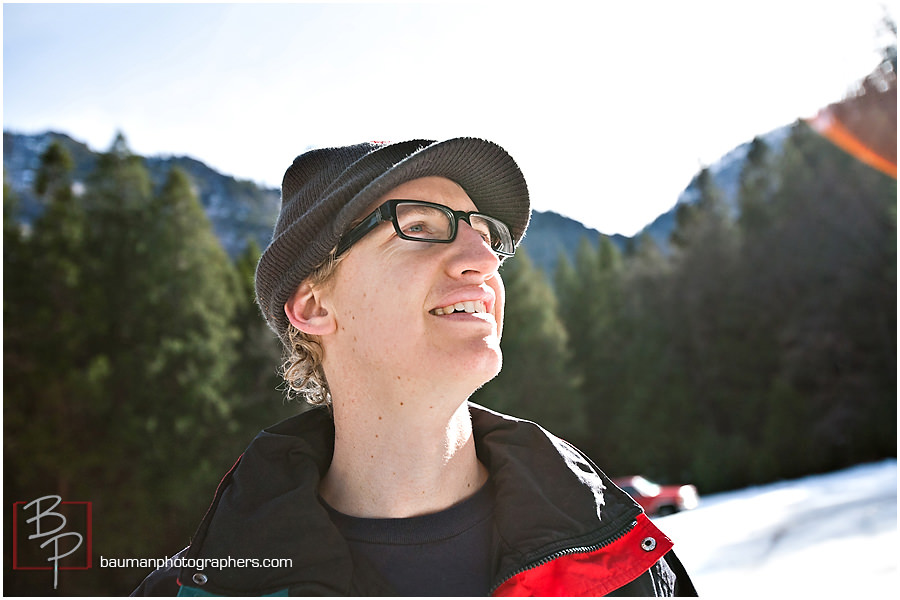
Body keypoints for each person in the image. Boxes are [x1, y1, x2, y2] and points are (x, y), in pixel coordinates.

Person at [132, 138, 697, 596]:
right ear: (313, 305)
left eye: (484, 234)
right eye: (420, 227)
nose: (482, 261)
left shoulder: (614, 555)